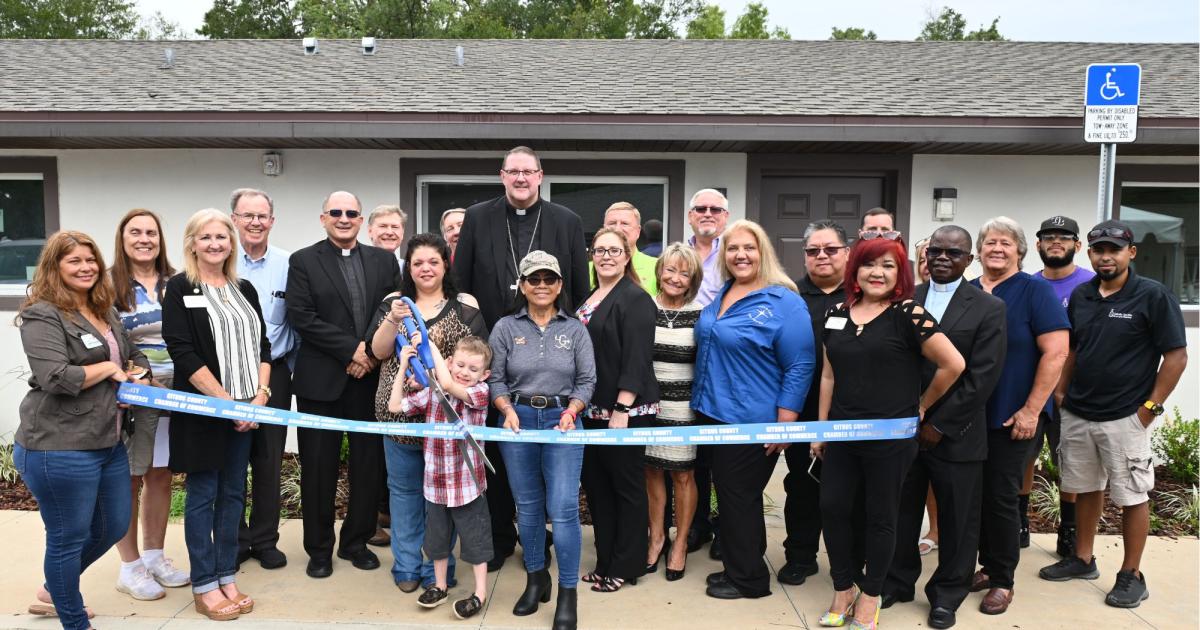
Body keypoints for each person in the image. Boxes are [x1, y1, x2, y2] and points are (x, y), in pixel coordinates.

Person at [813, 232, 964, 630]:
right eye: (868, 263)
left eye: (888, 265)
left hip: (891, 441)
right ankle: (843, 588)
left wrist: (920, 406)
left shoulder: (909, 313)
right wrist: (822, 429)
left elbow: (954, 365)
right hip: (844, 435)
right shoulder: (836, 312)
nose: (876, 272)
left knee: (882, 516)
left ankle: (871, 595)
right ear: (855, 268)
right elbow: (828, 375)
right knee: (833, 508)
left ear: (901, 273)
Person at [1039, 220, 1188, 609]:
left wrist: (1150, 408)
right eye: (1099, 250)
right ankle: (1082, 558)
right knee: (1086, 487)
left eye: (1114, 250)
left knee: (1132, 496)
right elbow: (1073, 347)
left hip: (1125, 415)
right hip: (1079, 411)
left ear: (1130, 253)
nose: (1106, 256)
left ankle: (1131, 575)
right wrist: (1060, 390)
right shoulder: (1084, 295)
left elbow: (1176, 356)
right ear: (1089, 253)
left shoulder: (1153, 296)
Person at [455, 146, 588, 572]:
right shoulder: (478, 217)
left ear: (540, 176)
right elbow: (461, 282)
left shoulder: (566, 221)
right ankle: (498, 538)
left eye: (528, 172)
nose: (520, 179)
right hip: (492, 351)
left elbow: (579, 293)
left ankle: (541, 537)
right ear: (502, 175)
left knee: (548, 468)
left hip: (551, 351)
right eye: (513, 172)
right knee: (499, 450)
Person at [16, 230, 151, 630]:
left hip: (107, 439)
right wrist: (111, 371)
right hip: (58, 445)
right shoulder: (42, 313)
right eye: (74, 261)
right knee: (67, 537)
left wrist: (136, 375)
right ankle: (73, 619)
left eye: (90, 260)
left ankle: (51, 590)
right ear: (54, 267)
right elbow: (54, 375)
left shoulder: (102, 308)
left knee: (113, 525)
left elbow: (131, 352)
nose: (86, 267)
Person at [883, 225, 1007, 629]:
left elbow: (982, 376)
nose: (941, 258)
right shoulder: (903, 300)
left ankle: (946, 594)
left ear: (968, 261)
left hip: (957, 433)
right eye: (935, 250)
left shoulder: (988, 308)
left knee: (958, 519)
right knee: (900, 511)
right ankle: (898, 582)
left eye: (952, 253)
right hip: (903, 430)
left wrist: (938, 423)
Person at [692, 220, 815, 600]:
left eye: (749, 247)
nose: (740, 255)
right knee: (730, 496)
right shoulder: (724, 293)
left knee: (739, 497)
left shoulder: (784, 301)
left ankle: (749, 581)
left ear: (763, 252)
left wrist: (785, 421)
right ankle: (737, 566)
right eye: (732, 249)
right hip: (712, 411)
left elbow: (801, 363)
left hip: (752, 420)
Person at [163, 209, 271, 621]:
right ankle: (204, 584)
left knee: (232, 496)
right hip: (206, 411)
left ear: (232, 243)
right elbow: (182, 351)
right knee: (203, 496)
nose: (214, 244)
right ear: (192, 243)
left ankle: (227, 574)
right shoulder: (180, 288)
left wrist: (259, 397)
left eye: (221, 238)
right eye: (205, 237)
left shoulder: (244, 288)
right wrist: (226, 403)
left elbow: (263, 346)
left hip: (248, 408)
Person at [286, 191, 399, 578]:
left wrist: (367, 353)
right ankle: (319, 550)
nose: (344, 218)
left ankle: (355, 542)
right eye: (336, 212)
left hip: (369, 381)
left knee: (369, 467)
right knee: (319, 468)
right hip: (321, 381)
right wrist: (352, 350)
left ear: (361, 219)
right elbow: (302, 316)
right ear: (323, 218)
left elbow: (391, 310)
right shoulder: (303, 261)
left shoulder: (384, 262)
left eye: (351, 212)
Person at [367, 233, 486, 592]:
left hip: (446, 420)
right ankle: (405, 567)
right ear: (408, 267)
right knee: (403, 494)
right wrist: (392, 319)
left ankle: (440, 570)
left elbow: (481, 358)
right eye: (417, 262)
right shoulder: (394, 303)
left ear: (445, 264)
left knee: (443, 501)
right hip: (398, 413)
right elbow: (378, 351)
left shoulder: (464, 305)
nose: (425, 268)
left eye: (433, 261)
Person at [489, 250, 595, 630]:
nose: (542, 285)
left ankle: (568, 593)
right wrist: (505, 408)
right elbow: (495, 378)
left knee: (563, 508)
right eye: (534, 279)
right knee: (528, 506)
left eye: (549, 279)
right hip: (518, 420)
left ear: (560, 284)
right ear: (523, 284)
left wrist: (573, 410)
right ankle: (536, 579)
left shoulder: (575, 329)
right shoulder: (504, 327)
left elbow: (586, 380)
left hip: (561, 421)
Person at [968, 216, 1069, 615]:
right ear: (978, 251)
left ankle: (1004, 581)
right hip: (969, 414)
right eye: (990, 241)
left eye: (1006, 243)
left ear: (1020, 251)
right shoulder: (968, 291)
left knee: (1001, 496)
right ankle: (987, 566)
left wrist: (1031, 409)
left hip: (1014, 414)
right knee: (973, 495)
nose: (997, 248)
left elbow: (1056, 352)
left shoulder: (1034, 291)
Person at [110, 209, 190, 600]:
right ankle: (130, 566)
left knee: (162, 473)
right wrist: (142, 380)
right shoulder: (108, 286)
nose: (144, 239)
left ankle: (155, 556)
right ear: (122, 239)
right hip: (133, 395)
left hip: (178, 394)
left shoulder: (176, 282)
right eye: (135, 232)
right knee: (130, 477)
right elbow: (104, 340)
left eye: (151, 233)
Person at [577, 227, 659, 593]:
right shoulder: (592, 296)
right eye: (600, 250)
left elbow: (637, 358)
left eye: (614, 250)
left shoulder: (636, 298)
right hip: (592, 411)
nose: (606, 256)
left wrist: (623, 407)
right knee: (598, 488)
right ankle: (605, 559)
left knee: (625, 488)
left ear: (627, 256)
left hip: (626, 410)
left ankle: (627, 565)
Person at [389, 336, 494, 620]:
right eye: (459, 364)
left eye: (473, 369)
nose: (464, 372)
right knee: (436, 540)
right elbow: (395, 407)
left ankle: (479, 593)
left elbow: (449, 384)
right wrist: (402, 367)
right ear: (450, 362)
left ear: (484, 374)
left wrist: (428, 344)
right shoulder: (433, 392)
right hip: (435, 483)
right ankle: (440, 585)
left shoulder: (481, 392)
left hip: (466, 484)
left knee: (476, 541)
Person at [779, 220, 849, 586]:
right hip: (802, 408)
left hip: (854, 411)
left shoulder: (861, 294)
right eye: (813, 251)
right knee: (803, 487)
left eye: (830, 249)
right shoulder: (788, 296)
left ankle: (848, 561)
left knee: (846, 492)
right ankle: (801, 557)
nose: (821, 256)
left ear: (847, 253)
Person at [231, 188, 297, 570]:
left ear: (272, 221)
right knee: (233, 459)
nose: (255, 222)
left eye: (262, 216)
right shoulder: (221, 263)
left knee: (270, 458)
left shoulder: (290, 264)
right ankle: (235, 539)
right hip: (228, 378)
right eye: (247, 215)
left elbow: (298, 319)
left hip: (278, 372)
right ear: (235, 220)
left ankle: (265, 540)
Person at [1023, 215, 1094, 558]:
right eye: (1048, 237)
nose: (1055, 242)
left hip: (1074, 395)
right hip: (1031, 391)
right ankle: (1020, 525)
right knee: (1023, 459)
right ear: (1037, 245)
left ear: (1077, 246)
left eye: (1063, 238)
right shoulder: (1028, 285)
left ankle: (1068, 531)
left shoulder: (1091, 285)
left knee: (1071, 465)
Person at [644, 243, 705, 582]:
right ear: (659, 272)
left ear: (693, 279)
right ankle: (656, 538)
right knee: (651, 471)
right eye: (670, 270)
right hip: (649, 404)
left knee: (683, 475)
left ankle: (679, 543)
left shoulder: (701, 314)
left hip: (685, 407)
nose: (676, 278)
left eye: (684, 273)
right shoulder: (643, 308)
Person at [683, 188, 730, 559]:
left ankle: (725, 526)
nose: (708, 213)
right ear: (689, 215)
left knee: (721, 453)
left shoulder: (734, 255)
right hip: (681, 361)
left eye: (716, 209)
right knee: (692, 453)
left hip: (724, 362)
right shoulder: (676, 254)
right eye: (701, 208)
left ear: (725, 217)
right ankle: (696, 525)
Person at [587, 202, 658, 294]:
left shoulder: (657, 267)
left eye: (625, 223)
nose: (617, 229)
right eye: (612, 223)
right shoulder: (588, 269)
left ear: (638, 231)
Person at [368, 204, 408, 269]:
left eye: (395, 227)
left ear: (402, 233)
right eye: (383, 226)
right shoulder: (358, 267)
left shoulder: (409, 269)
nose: (389, 232)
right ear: (370, 231)